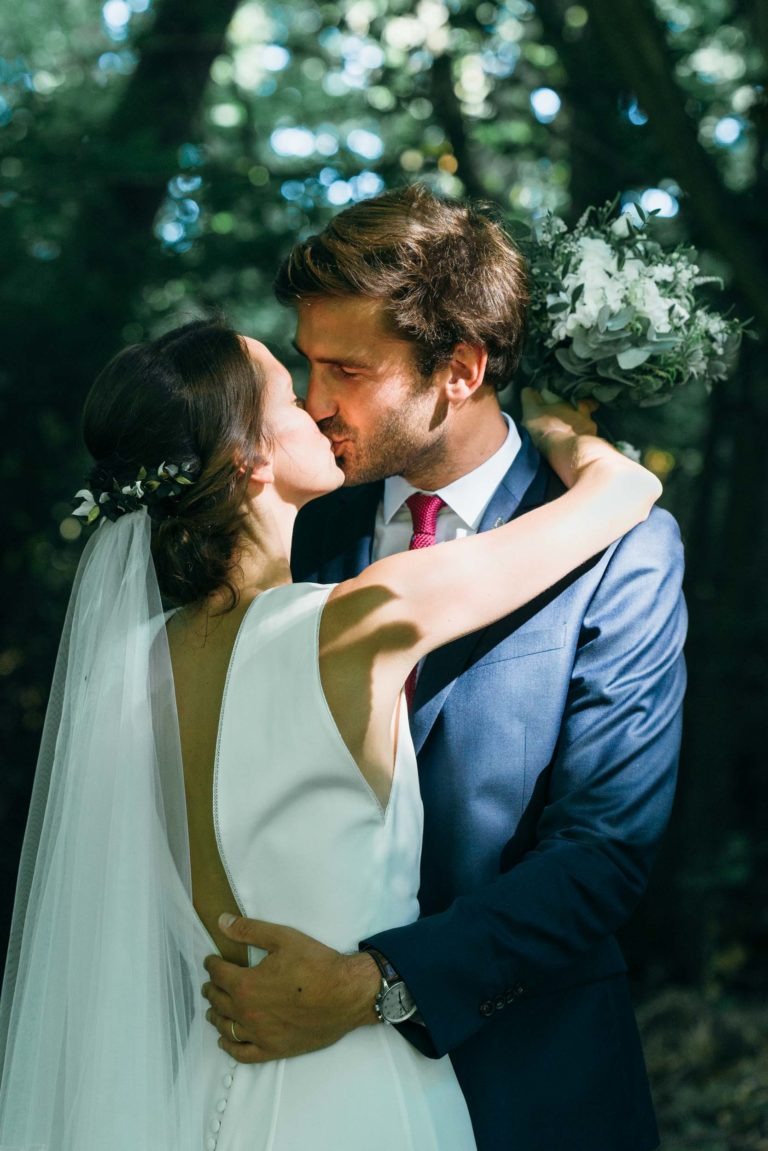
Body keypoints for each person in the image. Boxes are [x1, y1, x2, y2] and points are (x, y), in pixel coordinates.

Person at [0, 316, 661, 1151]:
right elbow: (626, 493)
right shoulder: (356, 622)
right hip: (361, 1095)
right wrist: (564, 430)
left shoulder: (126, 667)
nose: (318, 406)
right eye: (286, 389)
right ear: (249, 457)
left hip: (206, 1085)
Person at [202, 185, 688, 1151]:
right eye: (307, 362)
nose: (314, 400)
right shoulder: (294, 526)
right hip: (298, 1083)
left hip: (534, 1078)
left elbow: (603, 851)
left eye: (347, 367)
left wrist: (375, 986)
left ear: (459, 369)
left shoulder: (621, 546)